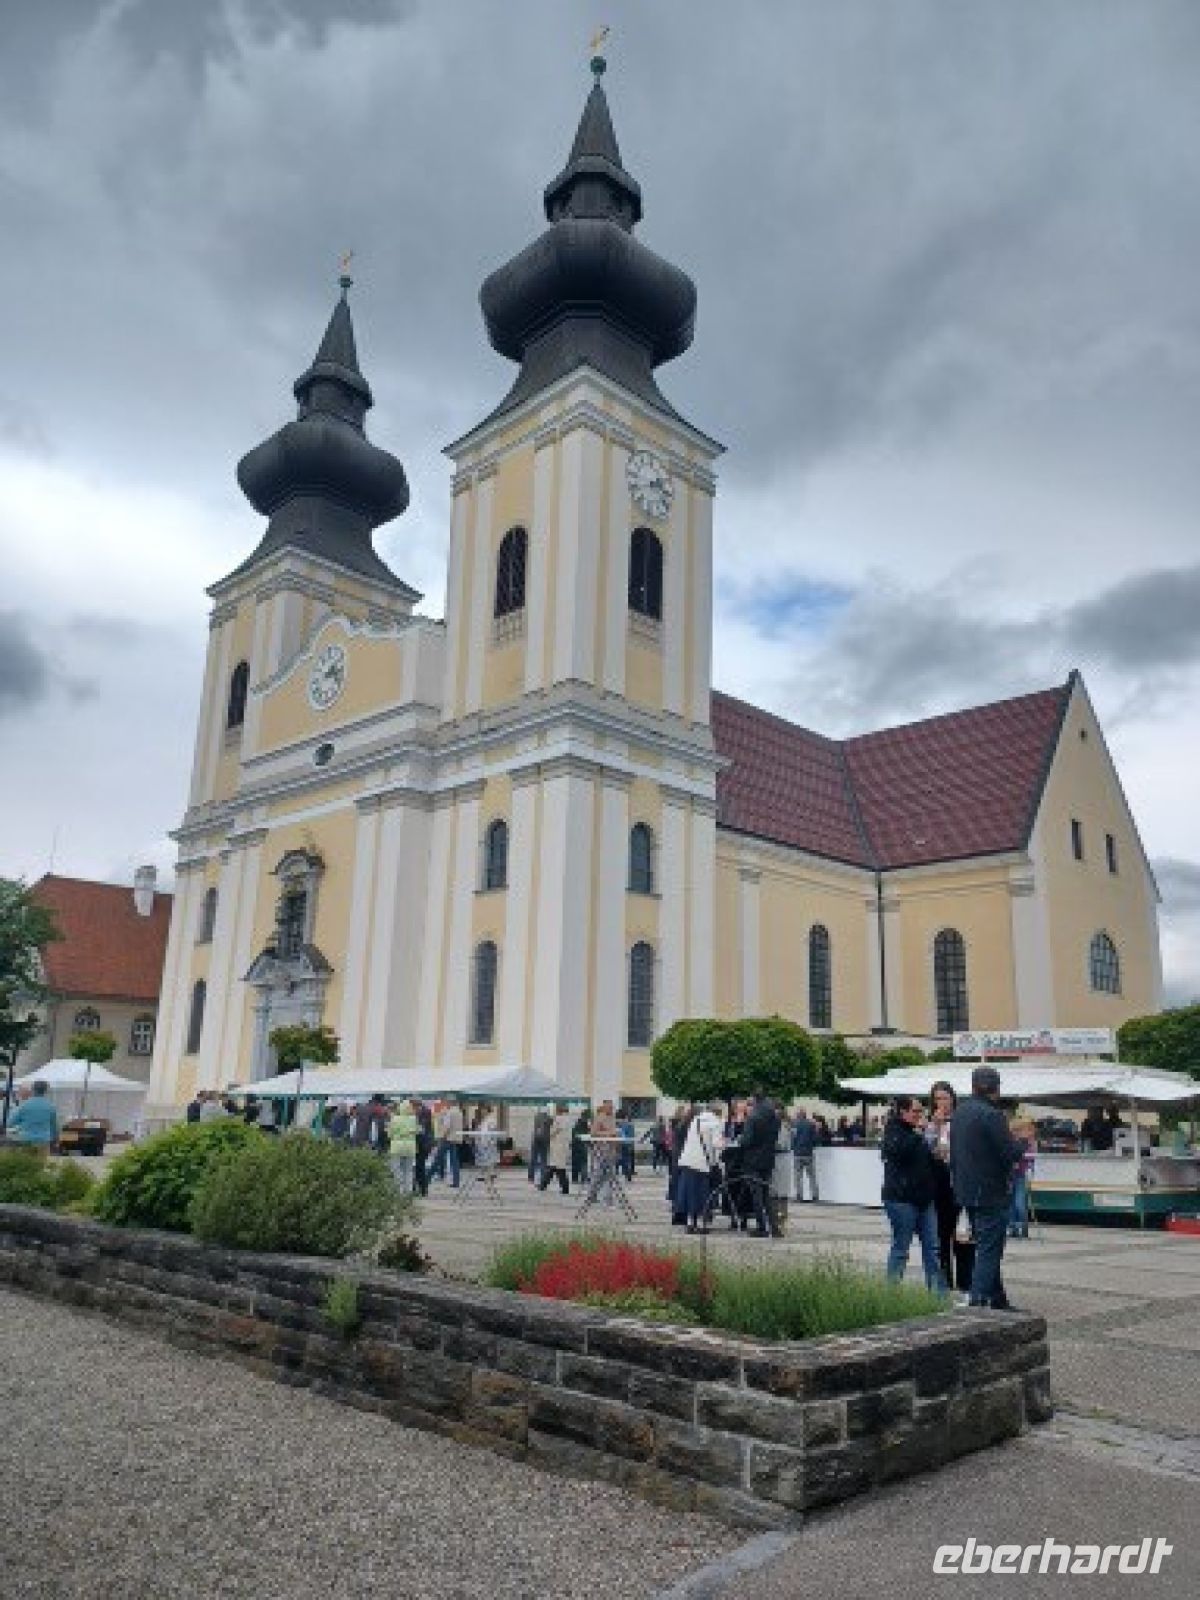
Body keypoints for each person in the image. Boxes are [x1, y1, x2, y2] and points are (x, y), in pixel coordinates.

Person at [950, 1065, 1025, 1310]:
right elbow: (1008, 1153)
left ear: (973, 1086)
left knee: (986, 1246)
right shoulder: (992, 1115)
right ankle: (979, 1302)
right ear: (997, 1089)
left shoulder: (960, 1112)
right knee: (989, 1250)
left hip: (966, 1190)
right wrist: (1023, 1142)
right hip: (990, 1192)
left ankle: (997, 1299)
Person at [881, 1096, 946, 1290]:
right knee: (901, 1248)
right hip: (901, 1199)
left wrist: (938, 1158)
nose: (919, 1115)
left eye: (921, 1111)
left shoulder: (917, 1134)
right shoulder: (894, 1130)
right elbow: (900, 1152)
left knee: (932, 1248)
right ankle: (891, 1293)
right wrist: (924, 1132)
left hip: (924, 1199)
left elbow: (926, 1163)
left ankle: (937, 1295)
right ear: (903, 1111)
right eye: (915, 1111)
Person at [676, 1100, 725, 1233]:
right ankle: (702, 1225)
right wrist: (724, 1144)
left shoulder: (696, 1119)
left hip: (688, 1161)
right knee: (703, 1195)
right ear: (718, 1112)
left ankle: (690, 1223)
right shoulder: (716, 1123)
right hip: (702, 1163)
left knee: (690, 1194)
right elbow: (716, 1144)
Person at [738, 1090, 782, 1237]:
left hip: (753, 1160)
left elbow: (747, 1141)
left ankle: (762, 1227)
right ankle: (774, 1227)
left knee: (757, 1195)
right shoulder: (775, 1117)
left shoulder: (753, 1117)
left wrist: (740, 1140)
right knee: (766, 1195)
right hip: (768, 1159)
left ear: (755, 1101)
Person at [7, 1080, 58, 1147]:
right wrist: (55, 1139)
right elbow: (54, 1126)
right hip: (44, 1139)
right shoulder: (51, 1107)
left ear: (32, 1090)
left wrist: (21, 1126)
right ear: (46, 1091)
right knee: (41, 1157)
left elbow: (10, 1122)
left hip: (27, 1139)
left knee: (27, 1157)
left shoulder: (24, 1105)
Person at [539, 1103, 574, 1195]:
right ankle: (544, 1184)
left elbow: (556, 1129)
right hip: (564, 1145)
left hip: (558, 1144)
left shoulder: (559, 1118)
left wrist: (549, 1136)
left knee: (558, 1167)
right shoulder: (569, 1119)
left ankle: (564, 1188)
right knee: (554, 1166)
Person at [1009, 1122, 1035, 1239]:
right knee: (1011, 1203)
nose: (1015, 1133)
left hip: (1020, 1175)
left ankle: (1023, 1228)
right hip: (1010, 1175)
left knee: (1019, 1202)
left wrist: (1027, 1167)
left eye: (1017, 1131)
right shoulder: (1010, 1142)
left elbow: (1031, 1158)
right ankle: (1013, 1228)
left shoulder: (1027, 1144)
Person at [791, 1106, 820, 1202]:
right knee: (812, 1176)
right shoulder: (811, 1125)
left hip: (798, 1154)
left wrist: (793, 1148)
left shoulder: (794, 1125)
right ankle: (815, 1196)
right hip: (808, 1153)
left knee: (798, 1177)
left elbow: (793, 1139)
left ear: (798, 1115)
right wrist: (812, 1146)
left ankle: (799, 1196)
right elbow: (815, 1139)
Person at [389, 1098, 418, 1193]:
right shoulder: (413, 1119)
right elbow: (417, 1131)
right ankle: (408, 1191)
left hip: (397, 1147)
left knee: (397, 1169)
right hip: (410, 1148)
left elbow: (390, 1134)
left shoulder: (395, 1119)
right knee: (408, 1170)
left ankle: (399, 1190)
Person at [528, 1106, 551, 1185]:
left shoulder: (536, 1117)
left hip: (536, 1138)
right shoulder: (549, 1119)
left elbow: (536, 1128)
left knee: (533, 1158)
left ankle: (531, 1177)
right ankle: (543, 1177)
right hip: (545, 1139)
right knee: (543, 1160)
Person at [570, 1107, 591, 1186]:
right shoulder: (583, 1123)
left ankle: (576, 1178)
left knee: (576, 1162)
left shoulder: (579, 1123)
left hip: (577, 1145)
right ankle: (583, 1177)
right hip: (580, 1145)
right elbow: (582, 1135)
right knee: (582, 1162)